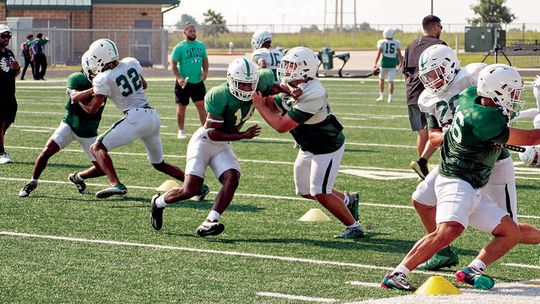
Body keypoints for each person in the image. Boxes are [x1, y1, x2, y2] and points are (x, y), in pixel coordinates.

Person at [382, 64, 540, 291]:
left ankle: (473, 269)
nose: (516, 97)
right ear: (497, 91)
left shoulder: (469, 96)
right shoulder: (486, 119)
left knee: (510, 231)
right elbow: (530, 138)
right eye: (512, 92)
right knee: (448, 230)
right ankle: (398, 273)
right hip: (458, 180)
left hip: (470, 183)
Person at [411, 46, 540, 271]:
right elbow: (433, 136)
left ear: (450, 66)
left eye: (435, 73)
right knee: (421, 199)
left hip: (493, 159)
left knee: (512, 228)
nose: (432, 80)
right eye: (428, 76)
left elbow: (500, 114)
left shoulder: (472, 79)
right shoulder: (431, 98)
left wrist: (476, 132)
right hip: (457, 160)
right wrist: (457, 133)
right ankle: (442, 251)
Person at [150, 58, 273, 237]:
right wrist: (242, 135)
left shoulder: (261, 82)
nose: (247, 89)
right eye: (242, 84)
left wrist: (291, 93)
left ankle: (210, 221)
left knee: (232, 178)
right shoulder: (220, 95)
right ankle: (159, 202)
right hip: (204, 142)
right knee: (191, 189)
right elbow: (213, 132)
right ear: (231, 81)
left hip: (222, 145)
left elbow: (275, 87)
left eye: (250, 84)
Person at [252, 47, 363, 239]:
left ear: (305, 68)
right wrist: (273, 89)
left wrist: (259, 105)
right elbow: (273, 105)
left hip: (326, 145)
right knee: (304, 190)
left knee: (320, 192)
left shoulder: (315, 92)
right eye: (286, 64)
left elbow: (281, 125)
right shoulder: (293, 84)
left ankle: (354, 226)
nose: (286, 69)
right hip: (308, 144)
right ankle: (348, 200)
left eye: (291, 65)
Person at [79, 39, 209, 200]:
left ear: (100, 57)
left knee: (97, 147)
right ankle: (199, 186)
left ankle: (115, 184)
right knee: (159, 163)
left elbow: (92, 109)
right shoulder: (130, 63)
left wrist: (77, 99)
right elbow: (144, 84)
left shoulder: (103, 78)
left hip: (135, 117)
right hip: (152, 117)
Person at [19, 51, 107, 197]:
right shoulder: (77, 78)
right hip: (70, 125)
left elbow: (94, 107)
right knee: (46, 152)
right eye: (94, 67)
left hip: (89, 131)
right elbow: (74, 96)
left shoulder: (105, 81)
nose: (98, 71)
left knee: (103, 169)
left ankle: (77, 177)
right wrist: (94, 89)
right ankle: (32, 182)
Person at [402, 15, 446, 180]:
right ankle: (423, 163)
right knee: (439, 131)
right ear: (435, 26)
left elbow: (406, 73)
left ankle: (423, 167)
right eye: (440, 27)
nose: (441, 30)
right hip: (431, 95)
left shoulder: (411, 44)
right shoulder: (439, 45)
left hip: (412, 93)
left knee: (422, 134)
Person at [171, 23, 208, 139]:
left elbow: (205, 61)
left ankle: (205, 130)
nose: (193, 33)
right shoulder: (179, 47)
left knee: (202, 106)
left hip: (198, 82)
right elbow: (173, 64)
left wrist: (205, 72)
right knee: (181, 107)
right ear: (185, 33)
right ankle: (181, 131)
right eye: (190, 31)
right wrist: (179, 78)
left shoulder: (201, 45)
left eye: (194, 31)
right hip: (184, 83)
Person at [0, 25, 20, 164]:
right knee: (0, 124)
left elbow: (14, 74)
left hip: (9, 93)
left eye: (8, 36)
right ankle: (1, 152)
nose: (6, 39)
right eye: (3, 36)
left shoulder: (9, 53)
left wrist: (17, 68)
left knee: (6, 123)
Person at [373, 28, 403, 103]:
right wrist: (401, 62)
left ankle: (381, 96)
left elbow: (379, 54)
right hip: (392, 63)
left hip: (384, 63)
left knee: (381, 80)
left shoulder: (382, 42)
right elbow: (399, 54)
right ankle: (390, 97)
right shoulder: (396, 42)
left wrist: (375, 64)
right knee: (391, 81)